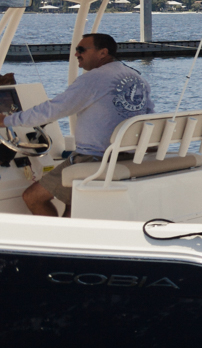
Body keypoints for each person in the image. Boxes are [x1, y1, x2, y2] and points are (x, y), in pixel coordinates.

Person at [2, 33, 154, 216]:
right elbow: (148, 114)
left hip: (93, 159)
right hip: (127, 156)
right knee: (72, 204)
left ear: (103, 53)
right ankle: (68, 236)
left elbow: (53, 110)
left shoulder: (94, 79)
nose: (76, 54)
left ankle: (57, 242)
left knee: (33, 197)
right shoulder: (136, 78)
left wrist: (7, 120)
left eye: (81, 49)